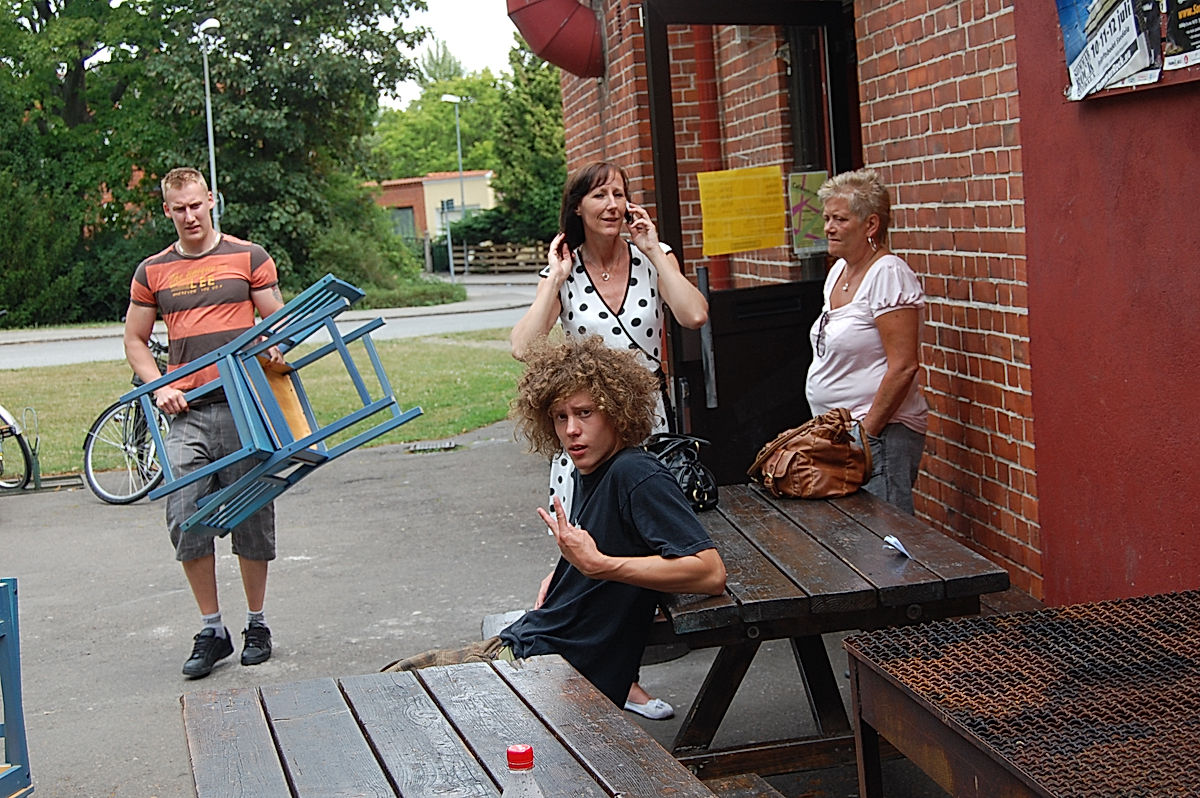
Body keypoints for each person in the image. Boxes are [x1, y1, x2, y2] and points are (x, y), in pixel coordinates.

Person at [384, 336, 727, 710]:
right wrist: (568, 571)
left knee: (390, 696)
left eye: (585, 413)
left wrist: (599, 566)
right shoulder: (592, 468)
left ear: (618, 411)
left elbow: (709, 572)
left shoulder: (635, 474)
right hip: (534, 644)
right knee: (389, 687)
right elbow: (611, 544)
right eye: (560, 417)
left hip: (552, 666)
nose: (571, 430)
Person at [509, 161, 709, 719]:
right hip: (586, 435)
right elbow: (524, 348)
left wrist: (655, 251)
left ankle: (618, 669)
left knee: (646, 543)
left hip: (648, 433)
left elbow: (693, 314)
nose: (612, 204)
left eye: (619, 193)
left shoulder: (650, 256)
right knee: (583, 554)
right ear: (578, 207)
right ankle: (614, 677)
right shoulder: (566, 272)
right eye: (599, 195)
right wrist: (552, 278)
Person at [124, 166, 286, 679]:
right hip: (187, 412)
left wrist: (274, 347)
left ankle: (256, 624)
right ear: (167, 210)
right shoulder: (152, 271)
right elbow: (134, 340)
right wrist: (161, 385)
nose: (190, 215)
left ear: (211, 200)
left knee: (251, 514)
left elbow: (276, 323)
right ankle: (212, 629)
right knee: (185, 514)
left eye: (197, 204)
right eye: (179, 208)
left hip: (244, 409)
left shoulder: (249, 256)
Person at [806, 168, 928, 514]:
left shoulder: (888, 275)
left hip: (881, 437)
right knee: (854, 541)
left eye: (840, 219)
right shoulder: (838, 272)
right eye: (827, 218)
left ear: (870, 225)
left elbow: (903, 366)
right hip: (839, 437)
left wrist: (867, 433)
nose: (828, 227)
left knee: (884, 542)